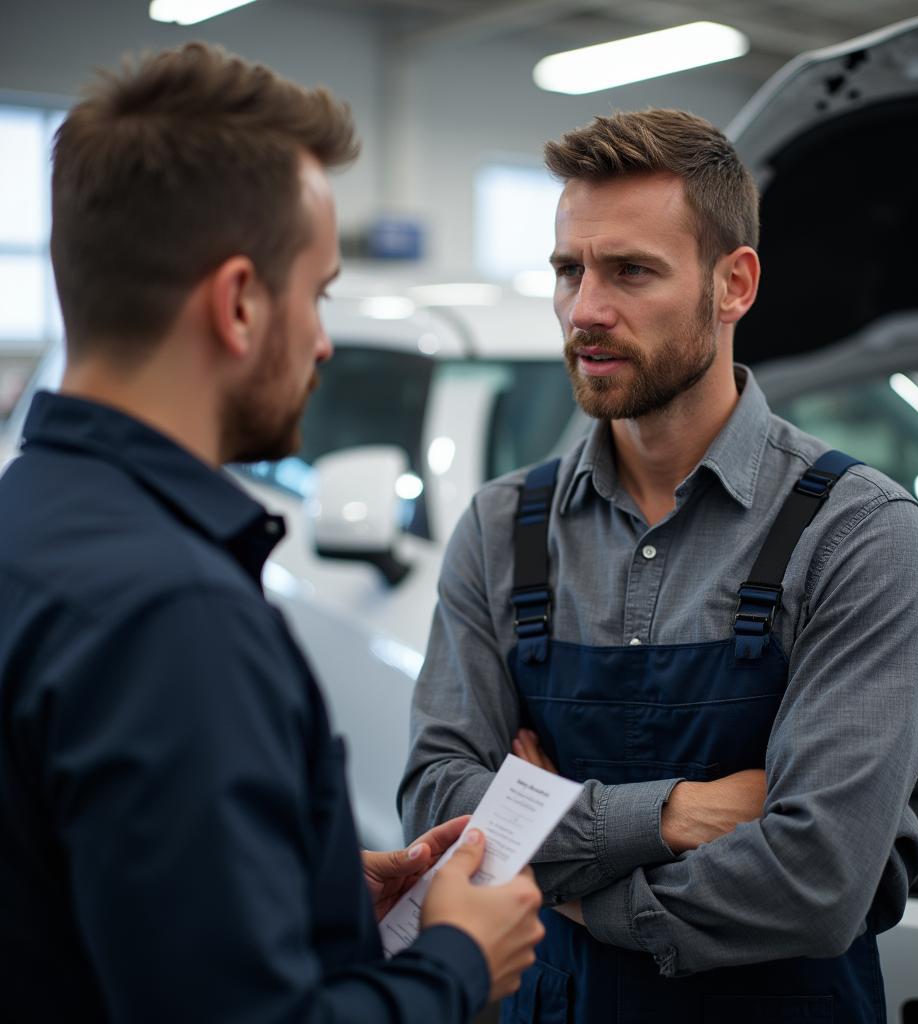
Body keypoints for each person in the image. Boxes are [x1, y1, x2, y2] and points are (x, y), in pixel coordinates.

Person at [0, 42, 544, 1024]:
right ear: (242, 302)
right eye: (319, 292)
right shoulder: (172, 616)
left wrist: (313, 893)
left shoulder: (29, 521)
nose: (325, 340)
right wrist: (459, 960)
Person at [400, 109, 918, 1023]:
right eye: (570, 270)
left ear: (734, 285)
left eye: (632, 271)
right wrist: (674, 814)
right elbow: (439, 808)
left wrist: (560, 870)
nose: (587, 310)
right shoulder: (500, 530)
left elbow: (819, 876)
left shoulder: (858, 532)